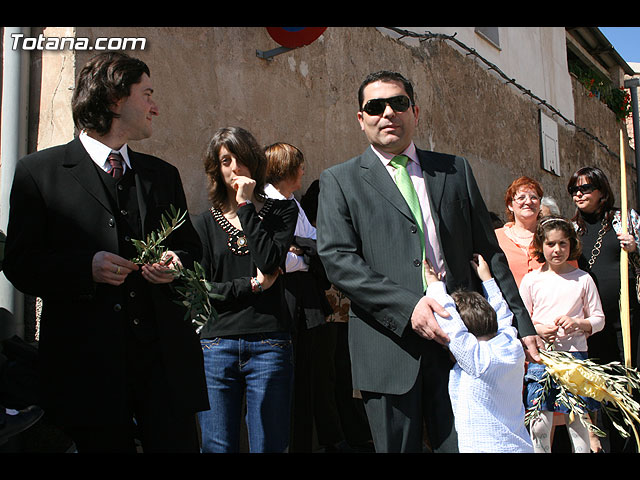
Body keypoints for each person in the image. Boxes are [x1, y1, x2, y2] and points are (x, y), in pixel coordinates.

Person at [316, 70, 540, 453]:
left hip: (463, 343)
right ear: (361, 118)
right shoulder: (339, 180)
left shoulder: (454, 171)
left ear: (415, 111)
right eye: (375, 106)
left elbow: (488, 252)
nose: (388, 113)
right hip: (388, 347)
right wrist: (409, 307)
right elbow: (337, 259)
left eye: (398, 103)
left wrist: (521, 322)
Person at [3, 52, 208, 452]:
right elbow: (20, 264)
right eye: (146, 94)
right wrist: (85, 267)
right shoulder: (39, 172)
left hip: (164, 368)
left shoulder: (162, 175)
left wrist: (175, 263)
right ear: (115, 99)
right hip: (87, 371)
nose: (155, 106)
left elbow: (190, 249)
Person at [193, 127, 298, 453]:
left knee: (268, 444)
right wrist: (250, 285)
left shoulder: (281, 212)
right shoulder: (203, 223)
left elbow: (268, 262)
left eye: (240, 158)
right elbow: (203, 289)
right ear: (216, 168)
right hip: (216, 345)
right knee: (216, 446)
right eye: (226, 160)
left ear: (254, 162)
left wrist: (244, 206)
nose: (234, 167)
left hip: (268, 344)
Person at [263, 142, 335, 452]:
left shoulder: (293, 204)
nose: (304, 171)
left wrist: (301, 250)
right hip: (286, 307)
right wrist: (303, 254)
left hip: (307, 307)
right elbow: (275, 260)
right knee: (289, 387)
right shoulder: (269, 205)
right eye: (299, 165)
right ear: (284, 170)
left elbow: (321, 246)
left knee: (308, 384)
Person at [423, 254, 533, 453]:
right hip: (520, 446)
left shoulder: (477, 359)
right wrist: (487, 279)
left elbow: (452, 327)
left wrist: (435, 286)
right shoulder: (511, 344)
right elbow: (504, 315)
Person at [568, 166, 640, 452]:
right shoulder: (573, 228)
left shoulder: (625, 220)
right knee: (598, 387)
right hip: (591, 324)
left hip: (626, 319)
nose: (578, 194)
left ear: (602, 192)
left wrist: (635, 248)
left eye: (585, 188)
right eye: (574, 189)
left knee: (628, 382)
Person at [520, 215, 605, 453]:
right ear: (540, 245)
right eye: (550, 244)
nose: (557, 250)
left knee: (577, 420)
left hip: (574, 357)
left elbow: (598, 319)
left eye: (562, 244)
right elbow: (521, 319)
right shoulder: (531, 281)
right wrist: (537, 329)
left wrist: (579, 323)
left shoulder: (582, 279)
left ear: (571, 244)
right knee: (539, 421)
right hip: (542, 359)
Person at [494, 176, 544, 287]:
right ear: (510, 205)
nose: (528, 202)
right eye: (521, 198)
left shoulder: (550, 236)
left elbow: (570, 274)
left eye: (534, 197)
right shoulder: (496, 238)